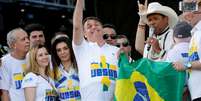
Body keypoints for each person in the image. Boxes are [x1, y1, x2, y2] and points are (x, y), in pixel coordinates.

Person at [73, 0, 119, 100]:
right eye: (89, 26)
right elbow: (77, 27)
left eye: (97, 25)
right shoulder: (81, 48)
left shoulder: (116, 51)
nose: (93, 27)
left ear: (102, 29)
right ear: (84, 34)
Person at [173, 0, 201, 100]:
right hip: (195, 94)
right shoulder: (195, 33)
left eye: (191, 8)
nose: (185, 14)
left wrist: (185, 65)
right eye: (184, 9)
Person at [0, 28, 30, 101]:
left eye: (27, 38)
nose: (28, 41)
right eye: (23, 39)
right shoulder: (4, 62)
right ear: (13, 45)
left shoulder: (33, 58)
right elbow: (4, 92)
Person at [51, 35, 81, 101]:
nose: (62, 52)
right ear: (56, 53)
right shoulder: (53, 73)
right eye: (59, 50)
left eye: (65, 48)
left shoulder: (81, 68)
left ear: (71, 49)